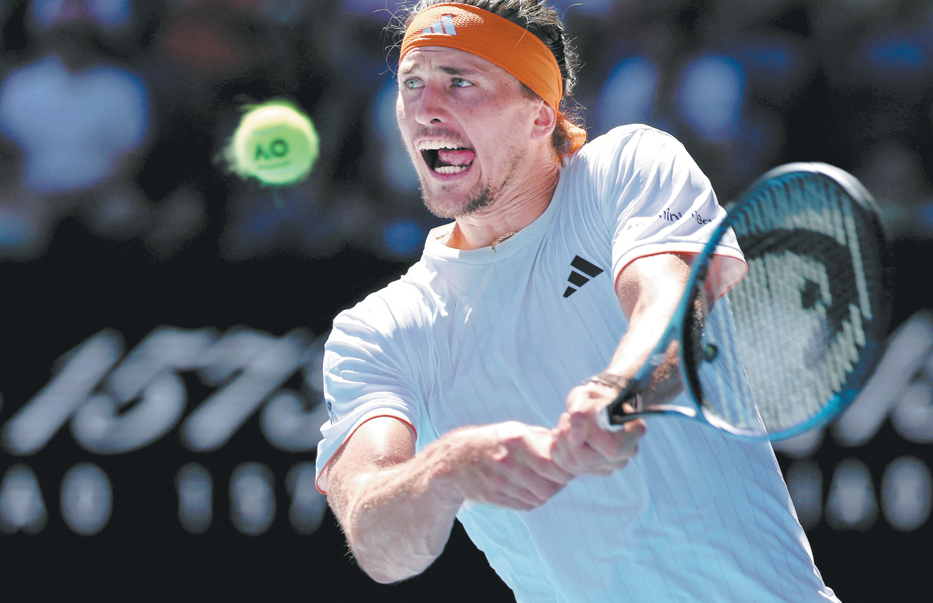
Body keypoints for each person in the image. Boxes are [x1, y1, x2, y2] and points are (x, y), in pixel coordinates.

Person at [315, 1, 840, 601]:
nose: (425, 108)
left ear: (540, 115)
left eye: (460, 82)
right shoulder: (376, 331)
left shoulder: (627, 169)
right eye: (412, 83)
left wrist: (619, 390)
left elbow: (669, 307)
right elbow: (376, 540)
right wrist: (447, 468)